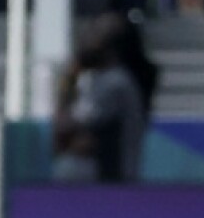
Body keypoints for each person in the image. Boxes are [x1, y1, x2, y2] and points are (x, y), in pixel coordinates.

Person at [51, 11, 151, 183]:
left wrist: (68, 79)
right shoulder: (94, 78)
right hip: (102, 177)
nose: (86, 40)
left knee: (69, 168)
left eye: (95, 35)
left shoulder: (117, 82)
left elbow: (71, 125)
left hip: (112, 179)